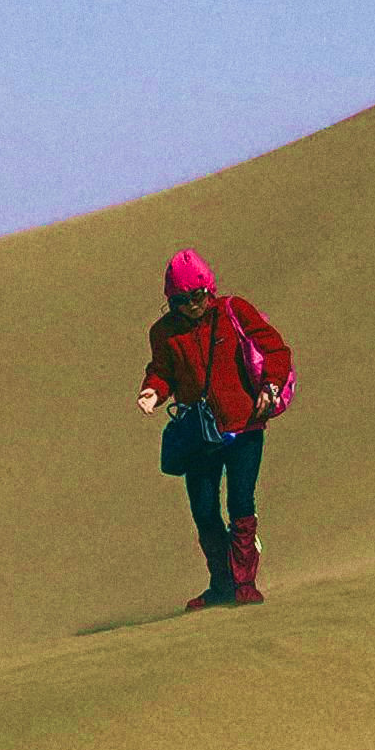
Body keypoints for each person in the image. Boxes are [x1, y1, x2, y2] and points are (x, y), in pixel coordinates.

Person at [138, 250, 296, 606]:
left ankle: (243, 583)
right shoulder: (163, 333)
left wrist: (270, 387)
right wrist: (152, 391)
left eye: (197, 296)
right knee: (204, 510)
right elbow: (162, 371)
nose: (192, 306)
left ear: (209, 289)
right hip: (199, 434)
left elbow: (276, 350)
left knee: (240, 502)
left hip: (245, 425)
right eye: (181, 301)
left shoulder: (233, 311)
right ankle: (221, 583)